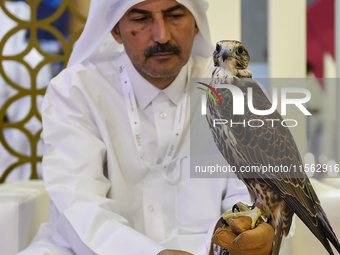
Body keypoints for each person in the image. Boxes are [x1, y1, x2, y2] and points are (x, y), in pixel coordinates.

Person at [17, 0, 277, 254]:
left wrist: (254, 234)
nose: (162, 35)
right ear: (115, 30)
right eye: (141, 19)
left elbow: (254, 199)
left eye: (175, 16)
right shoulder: (77, 91)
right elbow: (79, 203)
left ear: (196, 24)